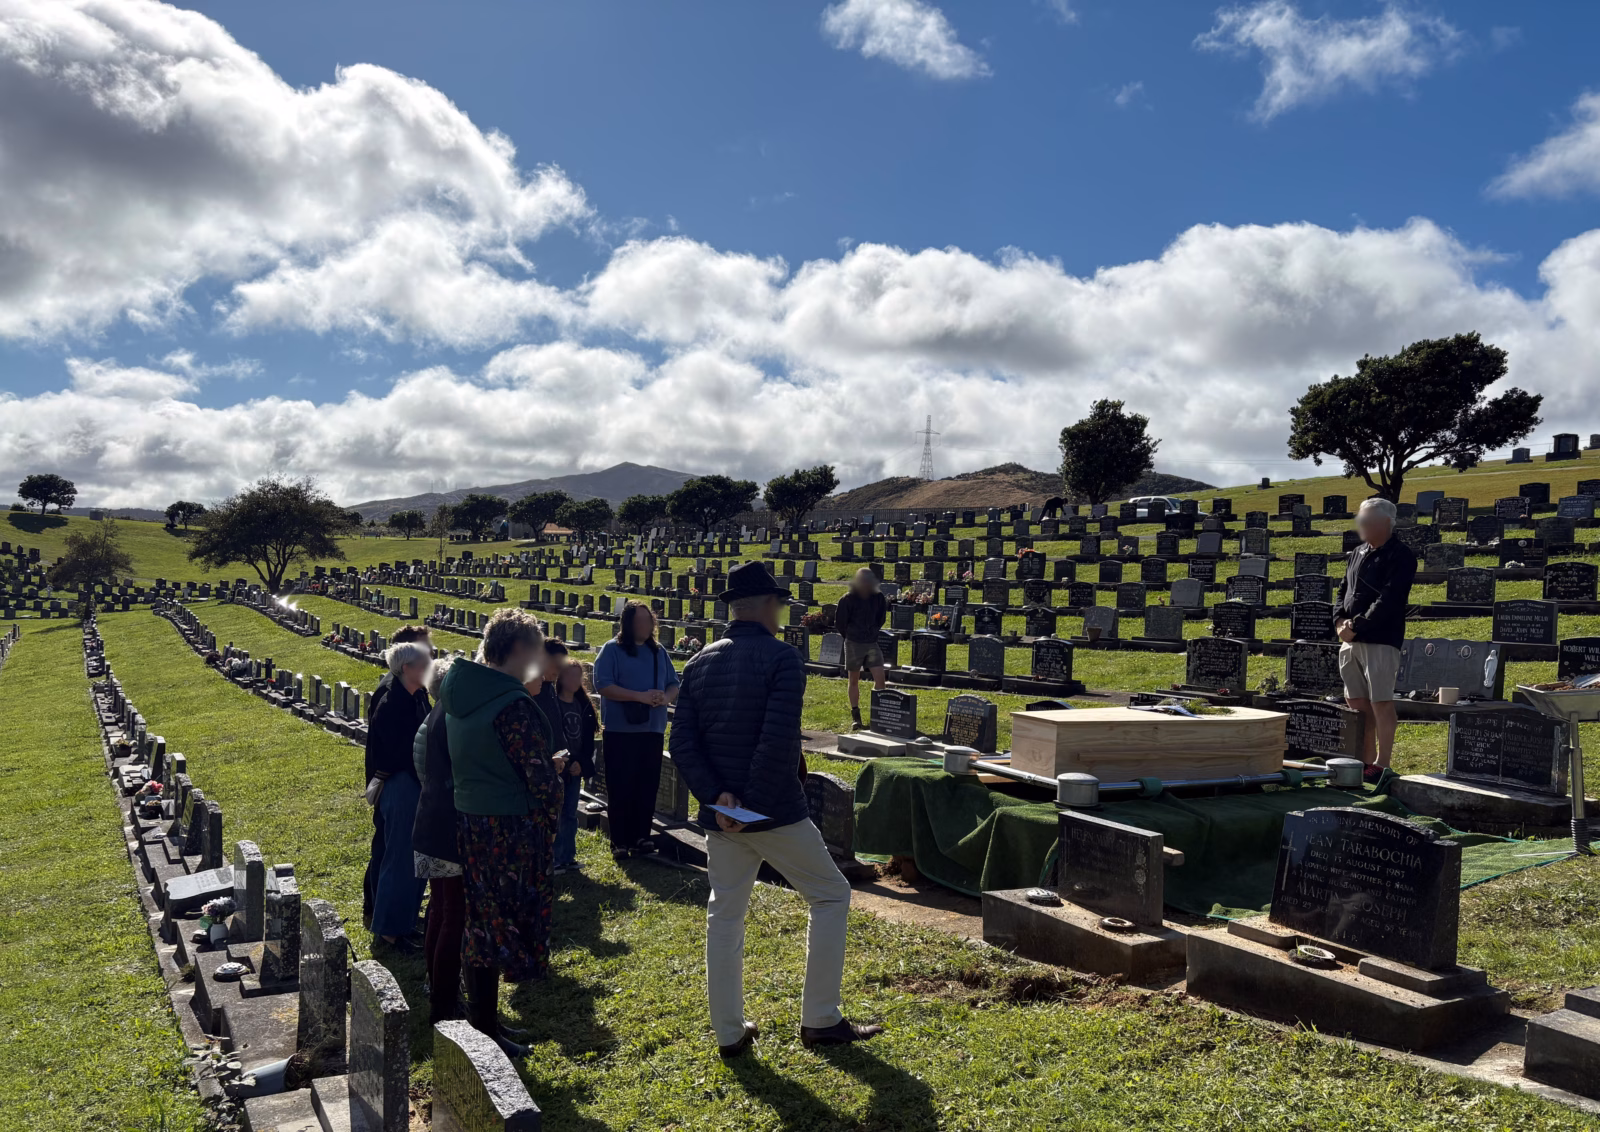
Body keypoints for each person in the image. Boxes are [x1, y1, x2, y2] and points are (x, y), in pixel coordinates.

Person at [670, 561, 883, 1058]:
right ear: (766, 606)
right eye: (780, 604)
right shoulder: (783, 660)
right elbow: (775, 740)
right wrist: (748, 806)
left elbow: (682, 743)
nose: (782, 612)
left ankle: (729, 1031)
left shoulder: (698, 662)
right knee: (831, 894)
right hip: (774, 812)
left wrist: (718, 800)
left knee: (725, 916)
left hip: (724, 815)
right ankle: (821, 1018)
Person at [439, 608, 565, 1058]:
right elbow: (536, 777)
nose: (541, 657)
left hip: (472, 820)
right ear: (516, 649)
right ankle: (487, 1027)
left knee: (482, 921)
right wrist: (554, 789)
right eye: (537, 647)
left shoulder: (460, 692)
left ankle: (485, 1020)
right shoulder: (510, 704)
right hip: (511, 828)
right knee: (497, 924)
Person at [1334, 497, 1417, 782]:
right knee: (1356, 701)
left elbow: (1390, 599)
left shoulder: (1400, 555)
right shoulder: (1357, 552)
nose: (1362, 526)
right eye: (1361, 520)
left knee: (1380, 700)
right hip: (1350, 640)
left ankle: (1382, 763)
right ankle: (1364, 760)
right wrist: (1339, 622)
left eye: (1367, 521)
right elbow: (1343, 590)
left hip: (1380, 638)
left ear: (1386, 523)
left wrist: (1356, 625)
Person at [592, 602, 679, 861]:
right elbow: (603, 684)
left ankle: (642, 836)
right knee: (621, 785)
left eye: (648, 621)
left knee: (646, 785)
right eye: (639, 621)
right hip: (621, 730)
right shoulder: (612, 650)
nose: (645, 626)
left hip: (652, 729)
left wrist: (665, 698)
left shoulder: (658, 651)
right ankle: (619, 840)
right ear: (627, 624)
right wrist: (638, 697)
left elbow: (674, 683)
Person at [365, 639, 432, 950]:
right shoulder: (391, 703)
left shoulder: (418, 697)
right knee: (401, 858)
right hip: (401, 783)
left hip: (418, 782)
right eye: (424, 662)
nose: (429, 666)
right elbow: (394, 754)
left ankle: (405, 922)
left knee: (417, 859)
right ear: (407, 668)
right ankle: (391, 930)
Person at [552, 658, 599, 874]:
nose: (575, 680)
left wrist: (580, 762)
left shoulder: (585, 706)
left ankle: (568, 857)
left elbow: (588, 740)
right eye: (570, 675)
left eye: (578, 676)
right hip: (558, 767)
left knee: (570, 813)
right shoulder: (552, 703)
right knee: (556, 813)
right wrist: (567, 761)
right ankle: (554, 858)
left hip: (576, 768)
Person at [834, 568, 888, 730]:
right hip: (853, 642)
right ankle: (856, 716)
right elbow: (840, 622)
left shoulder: (878, 598)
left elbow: (881, 618)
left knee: (880, 679)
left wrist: (872, 632)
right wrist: (850, 636)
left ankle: (877, 715)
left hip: (871, 642)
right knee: (854, 680)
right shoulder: (848, 599)